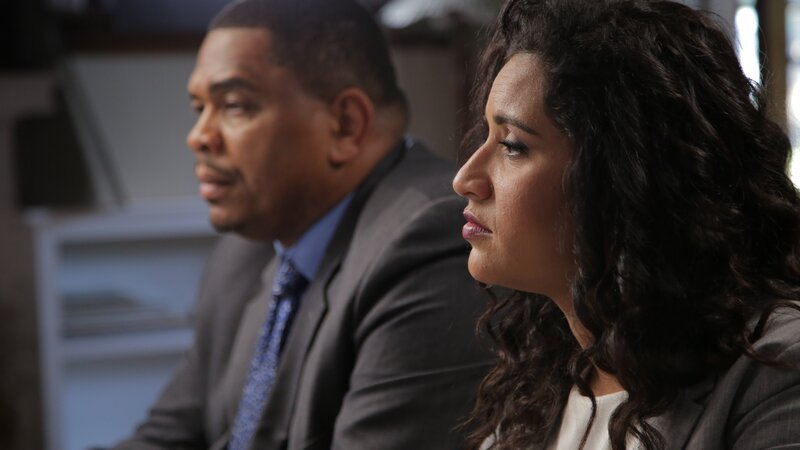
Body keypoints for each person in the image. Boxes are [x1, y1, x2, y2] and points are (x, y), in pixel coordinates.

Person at [112, 0, 492, 448]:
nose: (199, 136)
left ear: (345, 124)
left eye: (234, 105)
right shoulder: (249, 249)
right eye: (200, 108)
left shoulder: (428, 244)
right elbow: (168, 437)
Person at [452, 0, 800, 449]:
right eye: (486, 136)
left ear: (624, 176)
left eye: (513, 145)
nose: (465, 179)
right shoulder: (542, 373)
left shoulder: (778, 371)